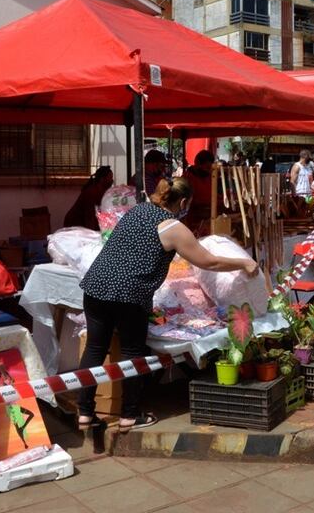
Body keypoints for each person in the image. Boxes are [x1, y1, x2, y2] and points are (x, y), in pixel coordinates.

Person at [77, 178, 258, 431]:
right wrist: (243, 263)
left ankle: (85, 412)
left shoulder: (137, 210)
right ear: (183, 202)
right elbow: (209, 262)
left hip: (96, 286)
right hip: (129, 294)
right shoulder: (172, 227)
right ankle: (129, 415)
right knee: (132, 353)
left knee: (95, 348)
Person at [183, 150, 215, 233]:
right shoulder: (187, 178)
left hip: (207, 218)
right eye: (207, 167)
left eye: (210, 168)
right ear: (198, 164)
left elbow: (212, 194)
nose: (209, 171)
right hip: (192, 220)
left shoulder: (209, 176)